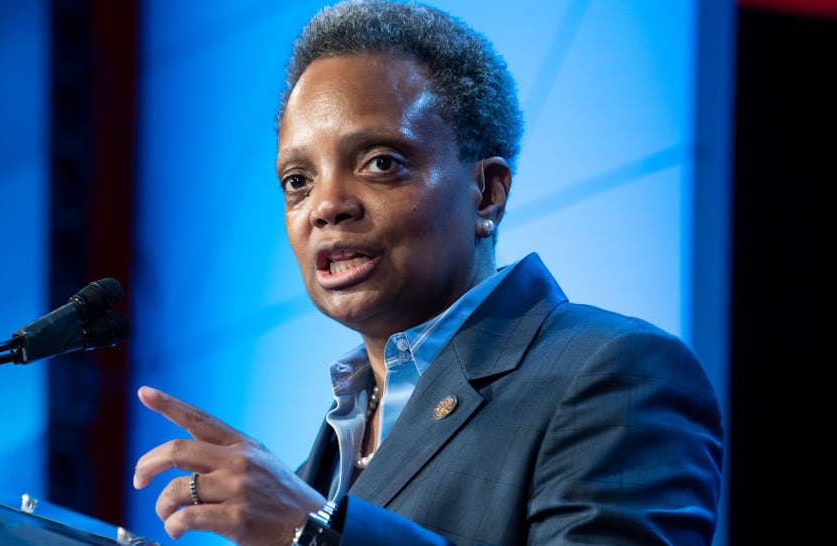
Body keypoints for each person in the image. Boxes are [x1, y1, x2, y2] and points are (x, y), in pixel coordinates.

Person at [132, 1, 724, 544]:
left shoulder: (615, 374)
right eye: (298, 181)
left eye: (380, 163)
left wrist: (312, 530)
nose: (326, 206)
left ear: (486, 193)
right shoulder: (337, 437)